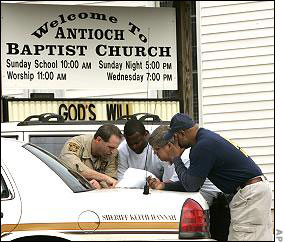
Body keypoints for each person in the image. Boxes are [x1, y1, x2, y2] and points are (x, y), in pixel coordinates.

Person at [147, 113, 273, 241]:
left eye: (175, 137)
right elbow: (192, 182)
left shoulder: (202, 146)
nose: (176, 142)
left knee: (242, 237)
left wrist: (176, 158)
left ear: (182, 133)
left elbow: (191, 186)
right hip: (254, 190)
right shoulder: (206, 138)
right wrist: (163, 185)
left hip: (248, 195)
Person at [58, 124, 123, 189]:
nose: (113, 151)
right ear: (98, 140)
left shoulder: (113, 153)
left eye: (115, 148)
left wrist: (99, 185)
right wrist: (104, 178)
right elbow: (72, 168)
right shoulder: (76, 144)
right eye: (110, 147)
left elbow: (111, 182)